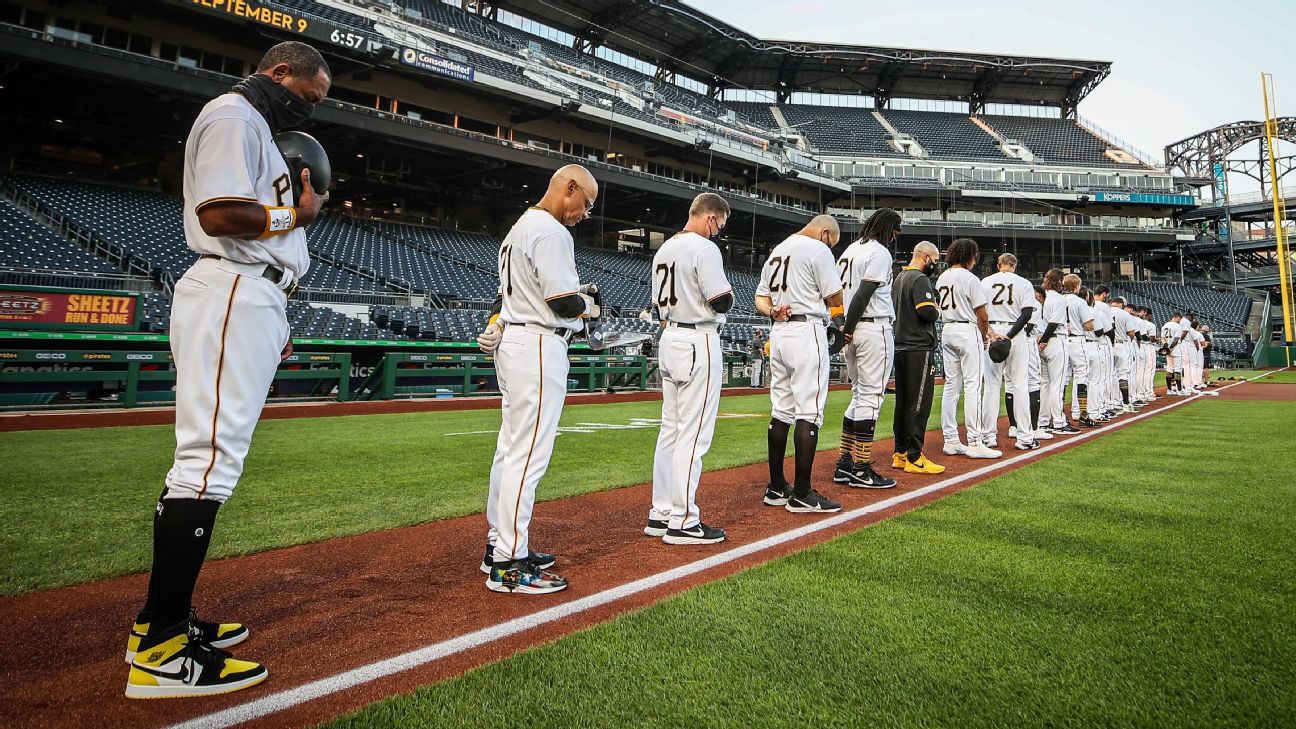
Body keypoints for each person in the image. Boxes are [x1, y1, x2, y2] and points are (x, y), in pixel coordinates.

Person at [124, 41, 332, 700]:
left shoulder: (256, 130)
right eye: (308, 97)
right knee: (207, 463)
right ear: (280, 75)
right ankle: (160, 651)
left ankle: (160, 624)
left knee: (207, 460)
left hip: (252, 292)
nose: (309, 110)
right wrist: (293, 216)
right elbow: (218, 214)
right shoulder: (234, 114)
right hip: (235, 284)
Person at [473, 164, 601, 594]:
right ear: (569, 188)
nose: (586, 213)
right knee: (527, 457)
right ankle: (509, 563)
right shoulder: (549, 230)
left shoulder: (520, 227)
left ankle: (500, 546)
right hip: (538, 347)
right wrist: (589, 309)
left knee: (510, 450)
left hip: (516, 341)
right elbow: (563, 303)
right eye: (586, 202)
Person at [644, 193, 734, 545]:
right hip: (698, 339)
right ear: (711, 218)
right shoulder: (703, 247)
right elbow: (721, 299)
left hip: (670, 337)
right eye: (719, 226)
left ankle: (661, 512)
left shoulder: (665, 248)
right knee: (693, 434)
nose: (718, 233)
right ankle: (682, 519)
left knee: (670, 430)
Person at [756, 214, 846, 514]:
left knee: (781, 409)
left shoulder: (779, 249)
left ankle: (777, 486)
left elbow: (760, 297)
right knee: (809, 410)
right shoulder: (818, 249)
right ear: (824, 233)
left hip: (779, 331)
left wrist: (772, 312)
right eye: (831, 242)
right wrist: (840, 321)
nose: (830, 247)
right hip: (807, 330)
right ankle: (803, 494)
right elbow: (834, 295)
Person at [834, 208, 900, 489]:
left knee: (859, 395)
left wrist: (843, 328)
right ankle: (861, 468)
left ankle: (844, 464)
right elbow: (863, 295)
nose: (897, 236)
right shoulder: (879, 252)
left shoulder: (849, 250)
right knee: (871, 398)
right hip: (872, 328)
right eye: (896, 230)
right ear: (887, 228)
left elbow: (836, 294)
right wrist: (847, 328)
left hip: (853, 330)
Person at [935, 238, 1002, 459]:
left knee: (951, 386)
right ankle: (975, 441)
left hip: (948, 329)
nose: (975, 259)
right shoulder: (970, 278)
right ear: (969, 255)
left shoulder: (943, 277)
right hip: (967, 329)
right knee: (973, 386)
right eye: (974, 255)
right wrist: (985, 336)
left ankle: (951, 440)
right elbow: (982, 314)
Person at [889, 241, 945, 474]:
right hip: (918, 347)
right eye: (934, 259)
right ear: (925, 257)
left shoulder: (899, 278)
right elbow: (926, 311)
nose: (935, 264)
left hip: (901, 345)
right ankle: (914, 456)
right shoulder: (920, 279)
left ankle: (900, 452)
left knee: (903, 403)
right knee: (919, 403)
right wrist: (938, 308)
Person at [980, 253, 1038, 450]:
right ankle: (1024, 438)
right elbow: (1027, 313)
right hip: (1015, 335)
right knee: (1020, 385)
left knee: (991, 386)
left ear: (999, 265)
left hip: (993, 332)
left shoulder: (985, 282)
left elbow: (979, 311)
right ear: (1014, 265)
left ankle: (988, 437)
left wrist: (992, 334)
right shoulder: (1024, 283)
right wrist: (1010, 335)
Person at [1038, 269, 1073, 435]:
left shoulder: (1044, 296)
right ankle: (1059, 422)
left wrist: (1041, 342)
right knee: (1056, 385)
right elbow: (1053, 324)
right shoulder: (1059, 298)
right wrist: (1043, 341)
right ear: (1059, 281)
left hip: (1044, 343)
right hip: (1055, 340)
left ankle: (1043, 421)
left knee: (1044, 384)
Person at [1161, 312, 1184, 394]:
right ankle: (1179, 390)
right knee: (1177, 368)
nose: (1180, 321)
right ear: (1177, 317)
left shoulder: (1165, 325)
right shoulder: (1178, 326)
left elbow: (1163, 338)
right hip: (1176, 349)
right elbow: (1176, 339)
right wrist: (1171, 348)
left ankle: (1169, 389)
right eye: (1180, 319)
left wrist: (1166, 346)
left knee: (1169, 369)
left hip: (1168, 349)